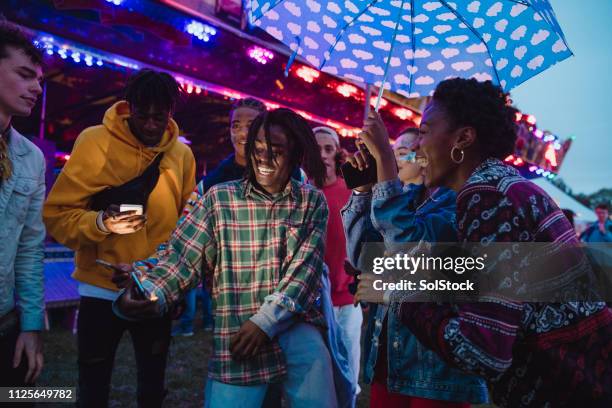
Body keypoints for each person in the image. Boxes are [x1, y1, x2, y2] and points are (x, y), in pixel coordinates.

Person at [354, 78, 612, 407]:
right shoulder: (498, 188)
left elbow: (482, 351)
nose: (418, 147)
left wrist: (397, 294)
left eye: (426, 130)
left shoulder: (489, 197)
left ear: (463, 137)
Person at [114, 108, 345, 408]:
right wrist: (148, 289)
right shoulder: (219, 198)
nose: (264, 158)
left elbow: (305, 272)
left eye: (276, 151)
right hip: (237, 330)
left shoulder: (310, 201)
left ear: (296, 154)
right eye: (258, 149)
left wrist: (265, 321)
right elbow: (182, 256)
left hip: (294, 328)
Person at [43, 69, 196, 407]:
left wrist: (173, 281)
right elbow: (57, 216)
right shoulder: (95, 140)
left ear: (171, 112)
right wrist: (102, 222)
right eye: (144, 115)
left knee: (152, 388)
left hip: (154, 289)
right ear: (130, 108)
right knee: (93, 386)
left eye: (161, 116)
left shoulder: (182, 155)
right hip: (100, 286)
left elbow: (188, 226)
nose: (152, 124)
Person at [341, 129, 488, 407]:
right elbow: (364, 259)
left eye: (402, 151)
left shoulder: (457, 201)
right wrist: (362, 190)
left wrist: (388, 290)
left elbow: (420, 259)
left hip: (434, 368)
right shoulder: (399, 202)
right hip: (389, 355)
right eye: (394, 150)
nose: (400, 156)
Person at [172, 97, 268, 337]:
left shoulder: (293, 176)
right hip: (230, 298)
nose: (242, 133)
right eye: (236, 125)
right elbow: (184, 235)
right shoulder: (211, 185)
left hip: (278, 297)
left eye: (251, 124)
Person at [0, 22, 45, 389]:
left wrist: (31, 325)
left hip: (6, 321)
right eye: (25, 75)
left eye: (39, 80)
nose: (36, 88)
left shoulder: (31, 157)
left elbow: (30, 249)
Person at [312, 126, 362, 396]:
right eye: (316, 148)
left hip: (346, 298)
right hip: (310, 301)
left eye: (328, 148)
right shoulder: (300, 192)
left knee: (347, 372)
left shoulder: (352, 190)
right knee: (317, 375)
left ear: (337, 153)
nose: (322, 155)